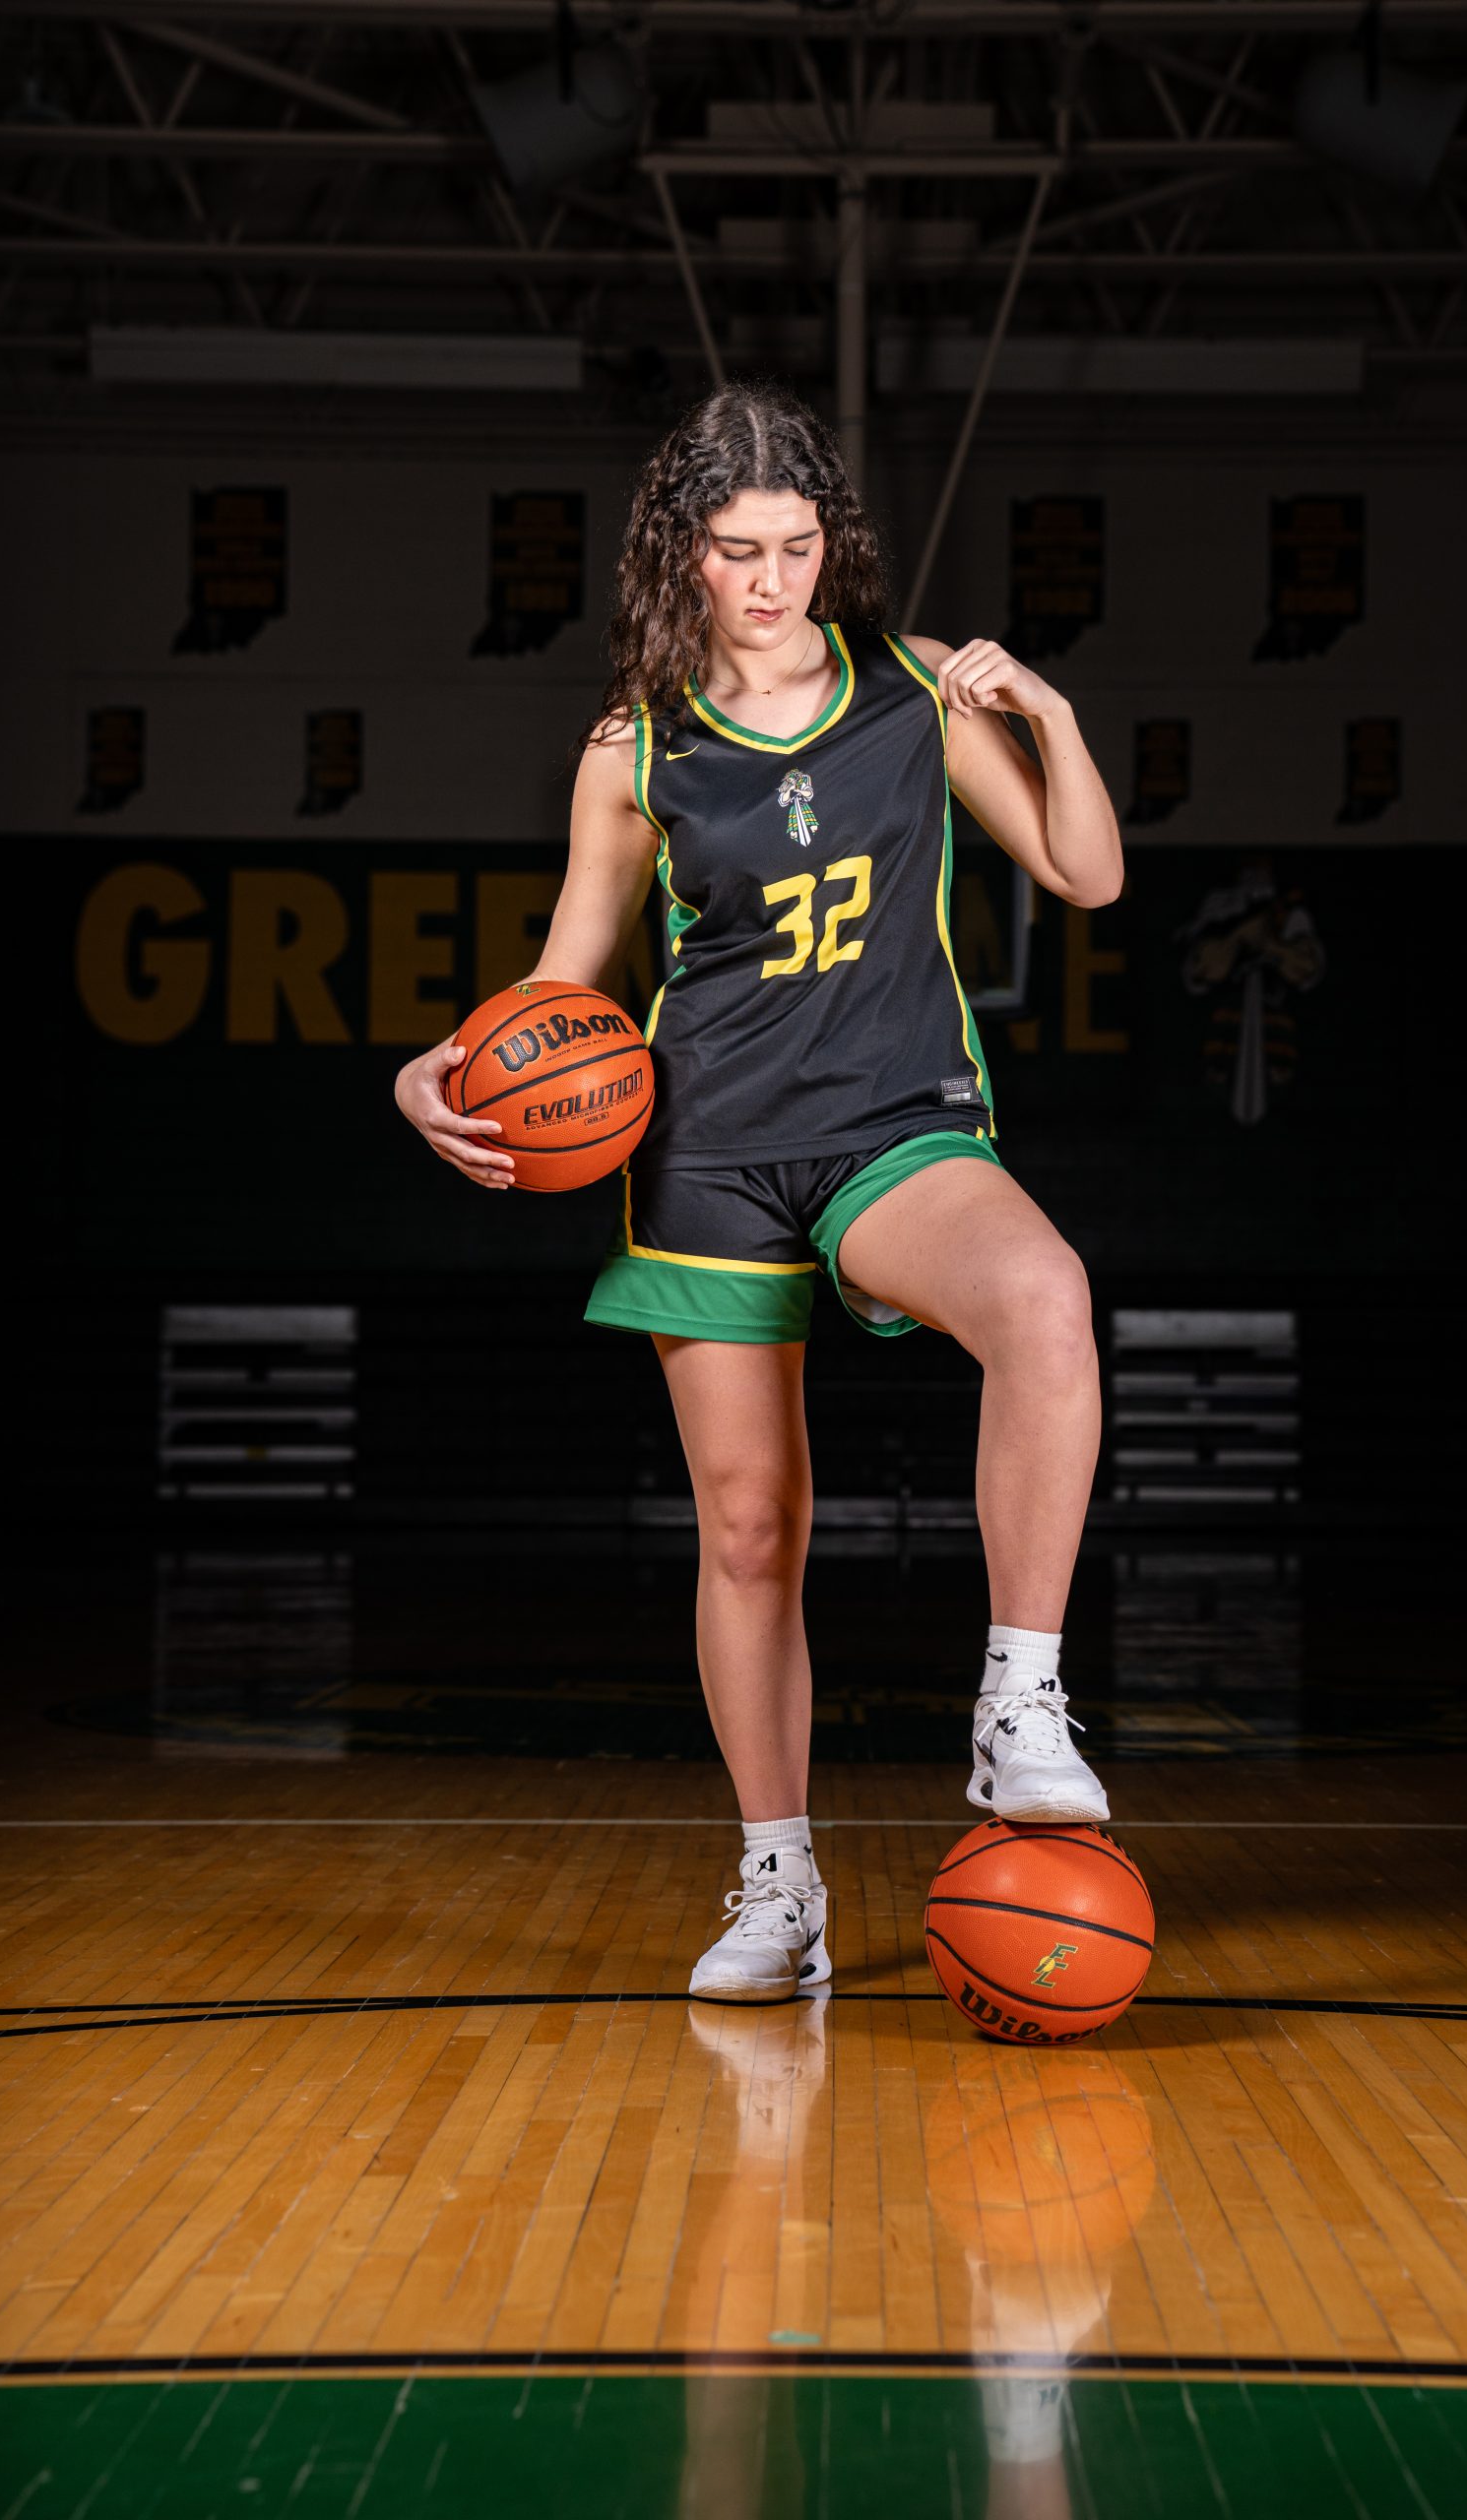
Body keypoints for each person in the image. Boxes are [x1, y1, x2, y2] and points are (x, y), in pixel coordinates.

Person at [396, 381, 1125, 2005]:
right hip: (706, 1151)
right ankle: (778, 1883)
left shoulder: (912, 688)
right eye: (739, 550)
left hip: (891, 1122)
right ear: (685, 555)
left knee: (1043, 1298)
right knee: (746, 1527)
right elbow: (563, 981)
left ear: (828, 545)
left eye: (797, 546)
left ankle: (1018, 1703)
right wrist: (429, 1071)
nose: (773, 579)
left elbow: (1086, 873)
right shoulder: (633, 746)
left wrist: (1047, 713)